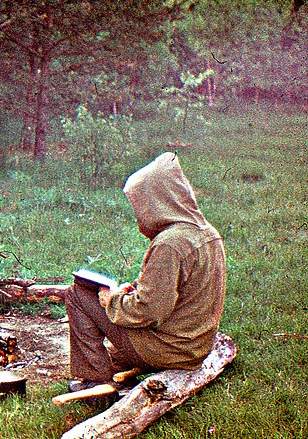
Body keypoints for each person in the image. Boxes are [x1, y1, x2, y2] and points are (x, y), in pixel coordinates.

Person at [64, 152, 227, 393]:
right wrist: (136, 291)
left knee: (77, 295)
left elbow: (148, 311)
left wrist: (113, 300)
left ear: (159, 201)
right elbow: (181, 293)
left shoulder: (170, 244)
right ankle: (116, 362)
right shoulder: (208, 233)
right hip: (195, 345)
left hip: (171, 350)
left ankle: (96, 379)